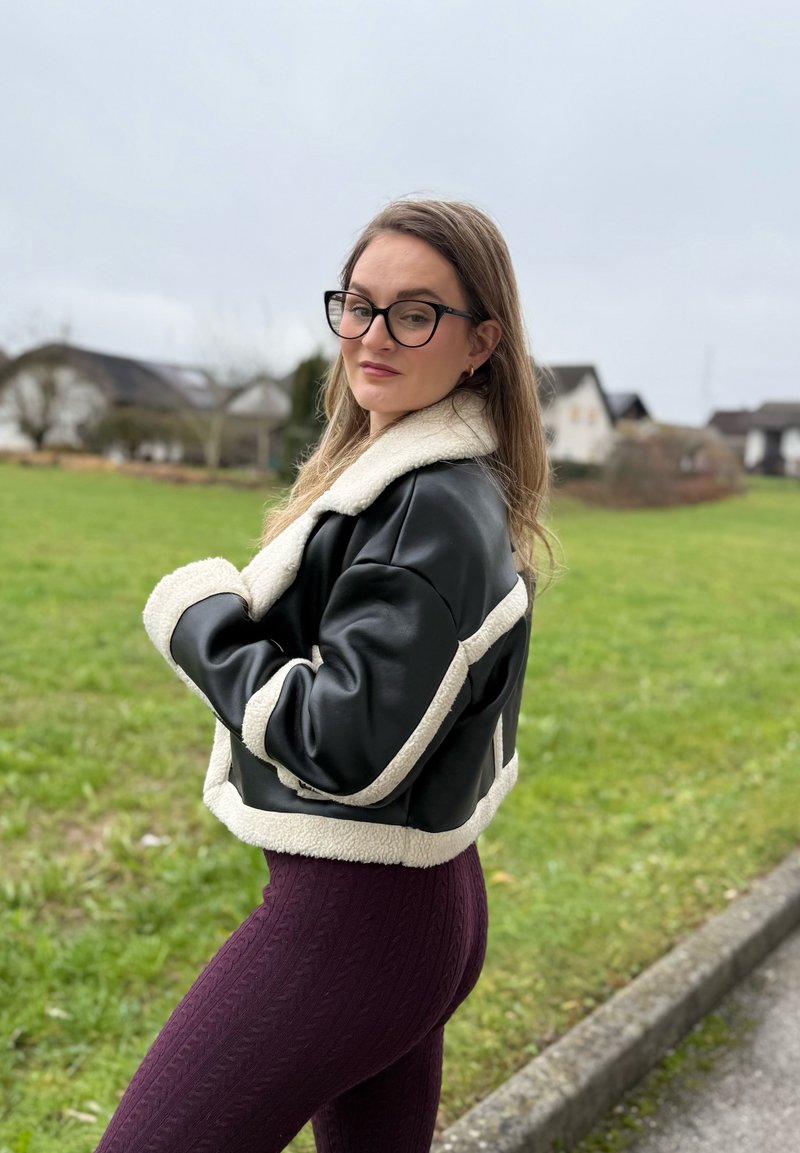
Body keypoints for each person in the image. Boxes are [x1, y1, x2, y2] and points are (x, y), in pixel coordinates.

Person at [96, 197, 550, 1153]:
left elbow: (344, 743)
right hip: (418, 900)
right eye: (358, 304)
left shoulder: (426, 503)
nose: (372, 335)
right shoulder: (435, 481)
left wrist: (199, 623)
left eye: (415, 312)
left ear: (481, 343)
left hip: (357, 920)